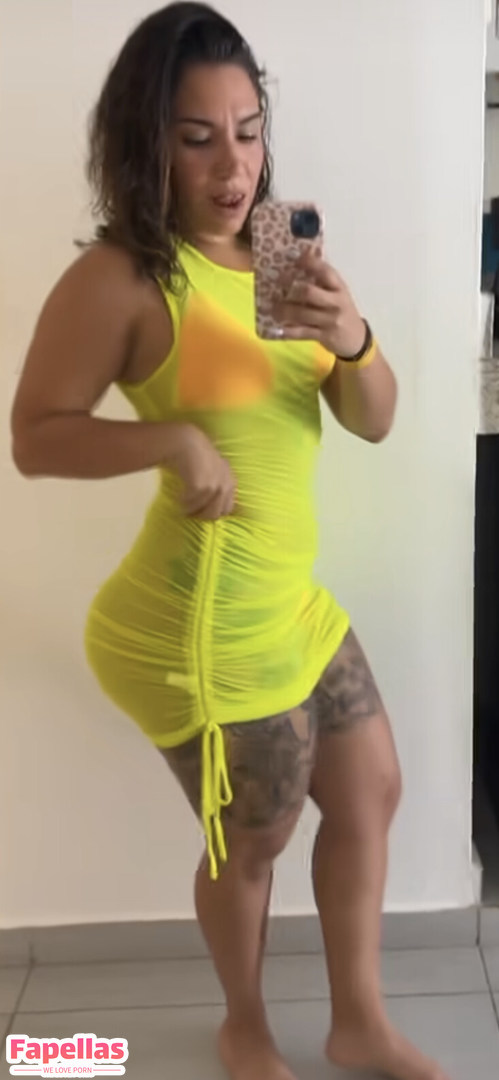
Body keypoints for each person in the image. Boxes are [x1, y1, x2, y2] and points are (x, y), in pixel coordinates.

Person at [10, 5, 449, 1080]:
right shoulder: (124, 277)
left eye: (248, 131)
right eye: (197, 137)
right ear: (146, 143)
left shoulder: (280, 253)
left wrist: (353, 338)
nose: (233, 166)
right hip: (198, 624)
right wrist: (169, 441)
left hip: (285, 600)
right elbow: (35, 435)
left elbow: (375, 418)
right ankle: (243, 1023)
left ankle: (358, 1025)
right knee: (254, 836)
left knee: (370, 790)